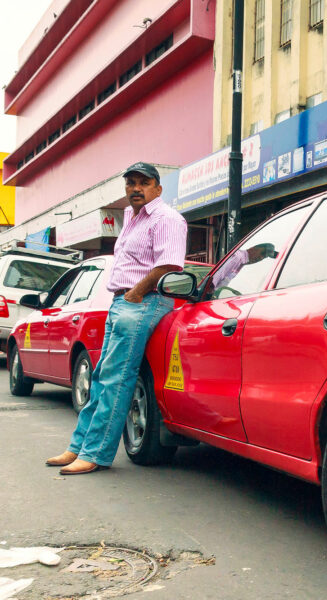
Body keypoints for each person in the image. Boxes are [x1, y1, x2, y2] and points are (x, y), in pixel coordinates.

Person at [45, 162, 187, 475]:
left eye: (143, 183)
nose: (136, 189)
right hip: (121, 302)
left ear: (158, 188)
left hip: (142, 302)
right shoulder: (131, 217)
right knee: (100, 377)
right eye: (131, 183)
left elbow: (170, 265)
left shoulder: (167, 218)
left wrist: (136, 294)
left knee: (115, 380)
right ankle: (78, 447)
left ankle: (96, 452)